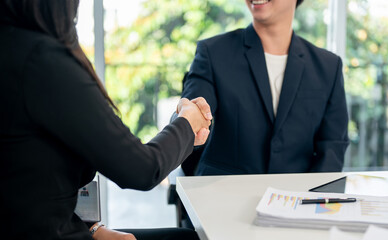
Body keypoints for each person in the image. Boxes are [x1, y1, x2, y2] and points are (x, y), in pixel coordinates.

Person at [0, 0, 211, 239]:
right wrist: (188, 122)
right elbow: (142, 169)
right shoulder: (42, 62)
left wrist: (93, 229)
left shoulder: (13, 48)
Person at [181, 0, 349, 176]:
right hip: (222, 194)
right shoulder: (212, 52)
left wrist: (310, 198)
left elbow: (332, 146)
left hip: (296, 197)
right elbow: (191, 118)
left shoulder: (328, 67)